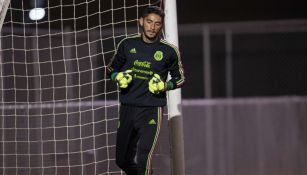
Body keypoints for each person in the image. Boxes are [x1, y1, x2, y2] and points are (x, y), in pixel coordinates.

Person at [107, 6, 185, 175]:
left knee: (144, 158)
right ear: (141, 21)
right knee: (122, 160)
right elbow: (110, 69)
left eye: (157, 23)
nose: (152, 27)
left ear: (161, 26)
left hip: (151, 110)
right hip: (127, 108)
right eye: (149, 22)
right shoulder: (127, 45)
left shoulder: (169, 51)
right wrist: (117, 77)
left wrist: (166, 86)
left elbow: (180, 79)